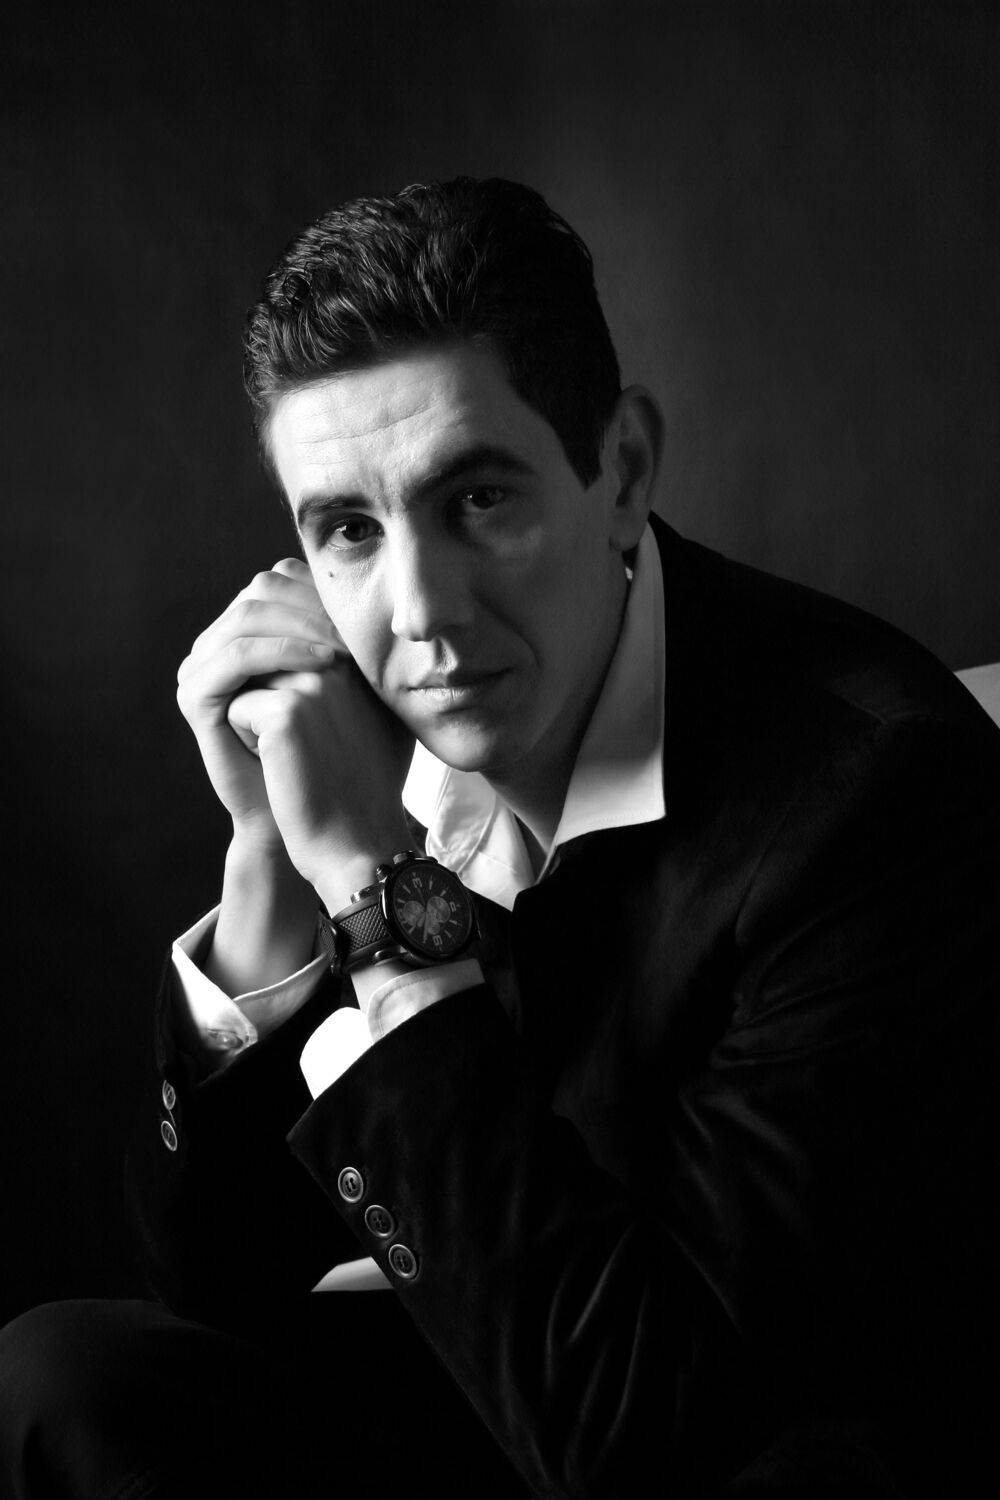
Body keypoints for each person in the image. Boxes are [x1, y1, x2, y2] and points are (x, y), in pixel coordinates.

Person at [1, 177, 998, 1499]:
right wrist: (269, 862)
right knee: (64, 1379)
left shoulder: (875, 797)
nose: (419, 613)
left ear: (621, 471)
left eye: (477, 499)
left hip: (742, 1420)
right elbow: (212, 1279)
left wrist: (377, 890)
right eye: (350, 532)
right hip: (523, 1350)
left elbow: (651, 1427)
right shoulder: (369, 730)